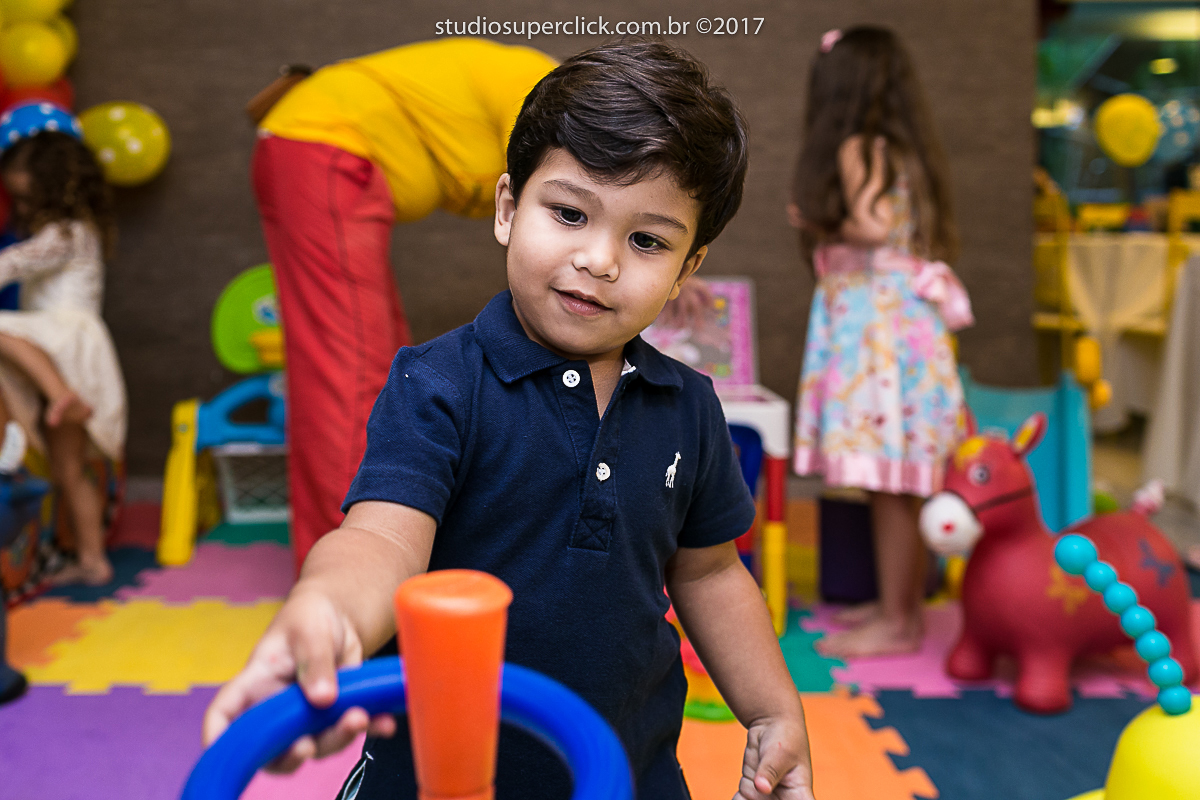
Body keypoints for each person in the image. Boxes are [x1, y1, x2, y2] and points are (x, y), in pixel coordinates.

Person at [207, 39, 816, 800]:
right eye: (568, 213)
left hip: (627, 775)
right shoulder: (436, 383)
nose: (599, 260)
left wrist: (772, 711)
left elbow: (711, 571)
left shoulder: (689, 405)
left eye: (647, 240)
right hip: (435, 778)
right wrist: (327, 612)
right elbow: (382, 537)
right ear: (506, 208)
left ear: (688, 268)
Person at [253, 37, 558, 573]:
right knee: (350, 374)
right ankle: (349, 579)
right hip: (326, 148)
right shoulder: (548, 99)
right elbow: (568, 199)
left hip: (310, 148)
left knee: (381, 367)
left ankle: (375, 542)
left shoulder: (539, 106)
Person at [789, 27, 973, 658]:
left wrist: (815, 218)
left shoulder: (858, 145)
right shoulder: (901, 148)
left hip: (881, 332)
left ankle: (900, 622)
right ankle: (898, 605)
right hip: (904, 328)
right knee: (892, 478)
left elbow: (869, 224)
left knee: (894, 482)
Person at [0, 130, 127, 587]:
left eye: (20, 177)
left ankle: (60, 395)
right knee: (67, 468)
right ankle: (94, 560)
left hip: (66, 338)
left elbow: (13, 263)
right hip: (65, 345)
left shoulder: (66, 232)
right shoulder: (81, 229)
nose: (12, 183)